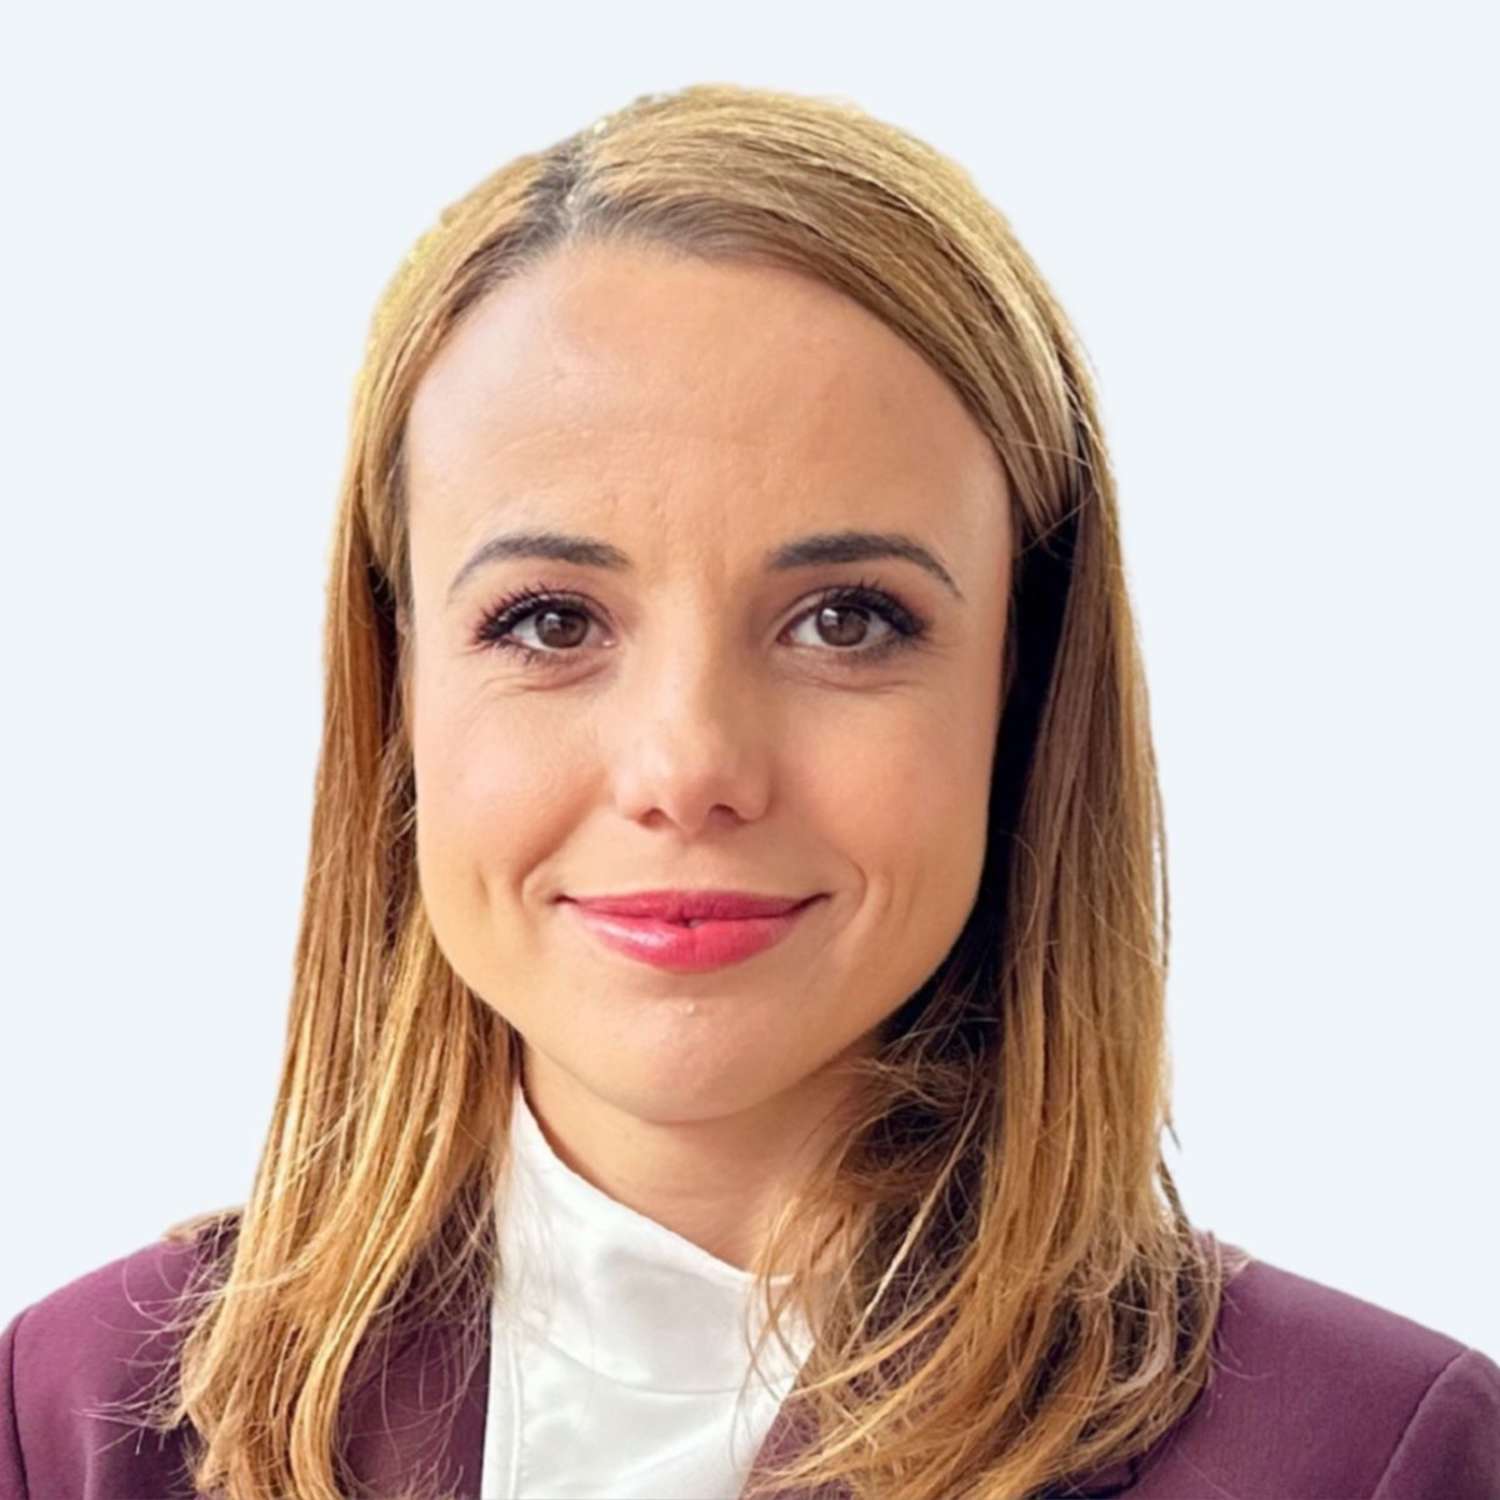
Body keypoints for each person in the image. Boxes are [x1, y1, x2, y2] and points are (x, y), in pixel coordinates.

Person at [2, 82, 1496, 1500]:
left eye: (846, 619)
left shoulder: (1375, 1459)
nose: (686, 769)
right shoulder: (77, 1419)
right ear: (398, 690)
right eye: (550, 620)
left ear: (1023, 684)